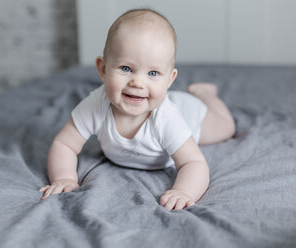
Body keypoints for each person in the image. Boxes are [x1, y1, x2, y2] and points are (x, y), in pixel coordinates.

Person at [39, 8, 235, 211]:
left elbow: (193, 162)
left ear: (169, 80)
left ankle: (204, 93)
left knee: (226, 127)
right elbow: (65, 144)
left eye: (153, 72)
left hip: (191, 115)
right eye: (126, 68)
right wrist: (64, 178)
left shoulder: (167, 119)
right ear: (103, 70)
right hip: (156, 100)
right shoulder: (96, 104)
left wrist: (183, 192)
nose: (138, 82)